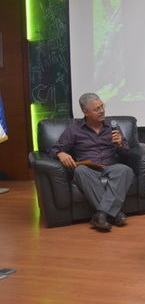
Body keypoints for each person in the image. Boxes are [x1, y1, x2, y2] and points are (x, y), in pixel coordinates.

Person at [49, 93, 134, 232]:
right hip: (89, 169)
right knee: (80, 171)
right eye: (97, 109)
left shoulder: (112, 127)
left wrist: (120, 145)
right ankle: (115, 214)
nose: (102, 111)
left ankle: (101, 215)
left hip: (111, 166)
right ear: (85, 111)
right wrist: (61, 153)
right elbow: (54, 149)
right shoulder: (74, 129)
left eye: (102, 106)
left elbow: (127, 155)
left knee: (125, 170)